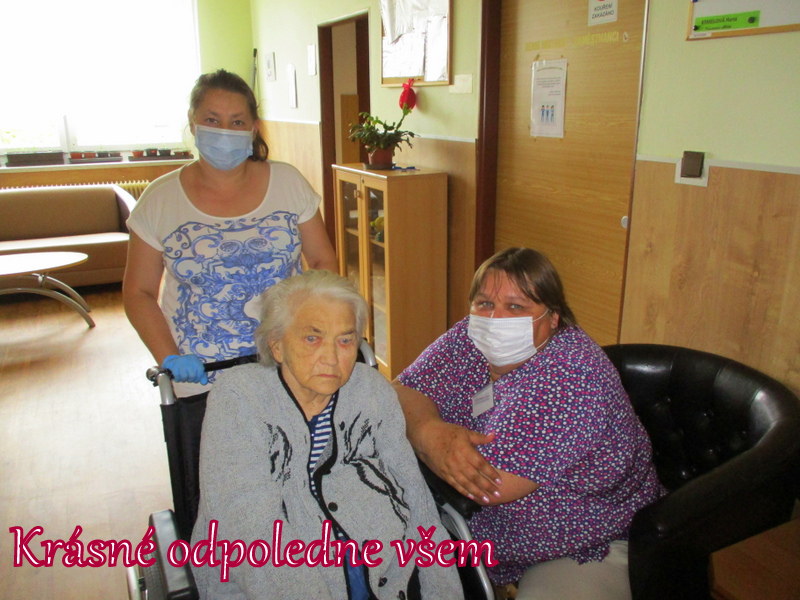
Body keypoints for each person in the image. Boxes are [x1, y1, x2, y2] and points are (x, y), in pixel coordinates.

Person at [393, 247, 665, 600]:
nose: (496, 318)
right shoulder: (471, 334)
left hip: (586, 539)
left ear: (553, 317)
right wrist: (430, 432)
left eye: (516, 307)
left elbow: (487, 484)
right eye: (484, 303)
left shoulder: (572, 376)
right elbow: (401, 391)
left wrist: (424, 433)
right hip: (483, 529)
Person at [190, 270, 464, 599]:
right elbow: (248, 527)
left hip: (383, 571)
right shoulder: (238, 397)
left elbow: (414, 496)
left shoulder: (372, 391)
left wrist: (443, 591)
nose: (332, 358)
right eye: (312, 338)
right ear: (277, 346)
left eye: (345, 340)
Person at [123, 69, 336, 399]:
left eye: (237, 122)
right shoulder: (160, 200)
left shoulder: (288, 183)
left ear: (254, 128)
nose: (224, 132)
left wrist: (317, 329)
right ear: (192, 122)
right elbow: (138, 292)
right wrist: (170, 357)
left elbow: (323, 261)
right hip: (202, 377)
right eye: (212, 120)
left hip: (290, 366)